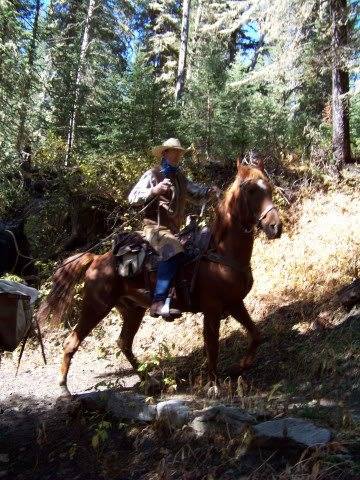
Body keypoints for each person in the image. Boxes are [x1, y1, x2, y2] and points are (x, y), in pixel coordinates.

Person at [128, 138, 219, 320]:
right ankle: (158, 301)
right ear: (164, 153)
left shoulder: (179, 176)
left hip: (174, 229)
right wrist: (154, 191)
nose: (177, 155)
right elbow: (132, 197)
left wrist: (209, 191)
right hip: (154, 227)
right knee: (175, 249)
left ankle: (186, 298)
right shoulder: (153, 174)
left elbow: (195, 191)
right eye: (173, 151)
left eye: (179, 152)